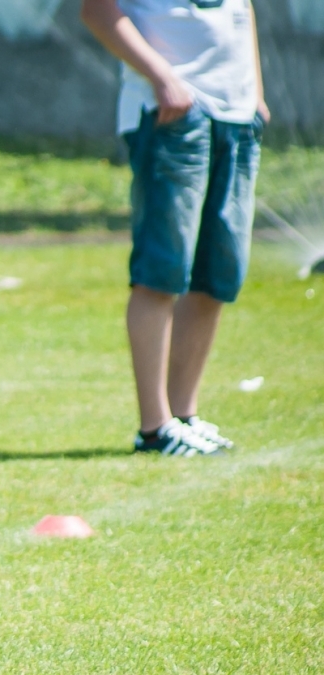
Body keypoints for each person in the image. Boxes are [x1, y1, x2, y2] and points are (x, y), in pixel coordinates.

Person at [80, 0, 267, 456]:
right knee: (163, 269)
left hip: (237, 118)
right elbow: (97, 11)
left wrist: (255, 95)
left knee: (217, 276)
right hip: (173, 114)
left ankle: (184, 416)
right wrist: (164, 78)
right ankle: (155, 427)